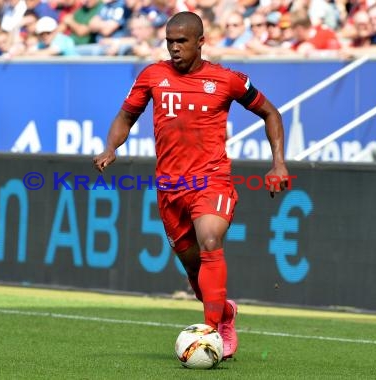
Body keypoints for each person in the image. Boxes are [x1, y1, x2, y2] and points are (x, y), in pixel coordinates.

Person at [93, 11, 289, 360]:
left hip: (211, 180)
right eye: (170, 42)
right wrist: (111, 147)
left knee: (210, 239)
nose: (174, 48)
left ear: (201, 41)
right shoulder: (153, 75)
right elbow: (126, 116)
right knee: (195, 272)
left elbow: (271, 113)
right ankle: (223, 311)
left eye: (181, 41)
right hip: (170, 188)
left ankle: (213, 330)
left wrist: (278, 162)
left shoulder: (226, 80)